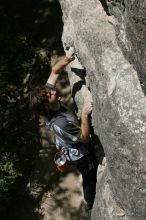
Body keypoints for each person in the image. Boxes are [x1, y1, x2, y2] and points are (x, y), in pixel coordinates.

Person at [30, 48, 97, 210]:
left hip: (67, 140)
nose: (53, 90)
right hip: (78, 154)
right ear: (47, 105)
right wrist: (85, 114)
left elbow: (54, 71)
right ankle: (90, 204)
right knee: (90, 177)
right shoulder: (60, 123)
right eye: (50, 94)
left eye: (50, 90)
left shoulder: (49, 103)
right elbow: (84, 138)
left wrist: (67, 59)